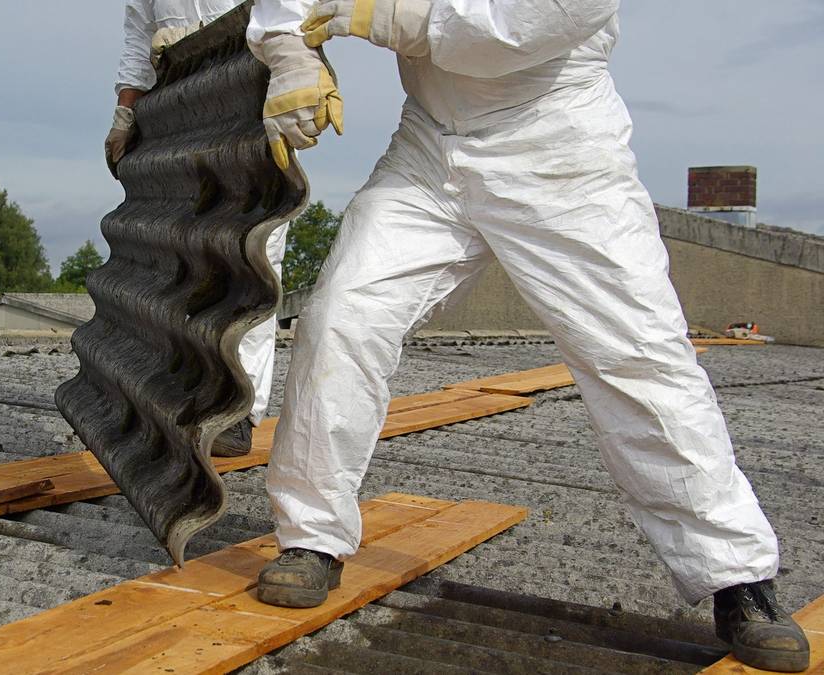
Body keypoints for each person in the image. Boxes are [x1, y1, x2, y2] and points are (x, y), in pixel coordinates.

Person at [245, 0, 810, 671]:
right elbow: (289, 6)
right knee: (342, 315)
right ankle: (311, 538)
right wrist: (288, 55)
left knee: (637, 356)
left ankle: (736, 576)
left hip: (558, 146)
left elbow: (503, 33)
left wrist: (375, 12)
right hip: (430, 146)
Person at [109, 0, 289, 457]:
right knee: (179, 253)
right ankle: (179, 392)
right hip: (181, 109)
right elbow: (137, 34)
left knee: (252, 255)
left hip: (251, 96)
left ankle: (238, 411)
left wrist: (300, 64)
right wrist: (126, 111)